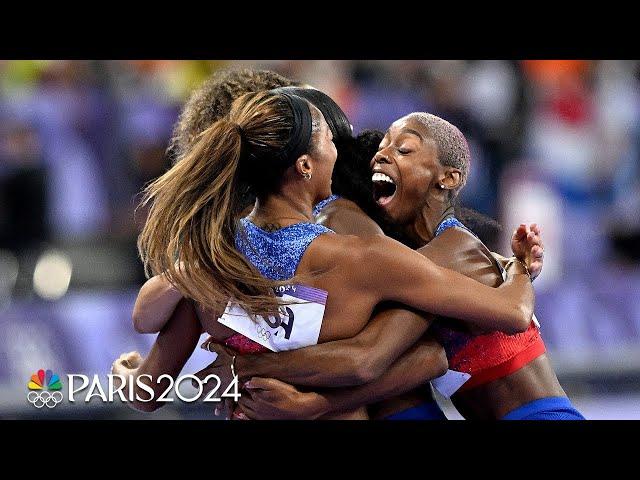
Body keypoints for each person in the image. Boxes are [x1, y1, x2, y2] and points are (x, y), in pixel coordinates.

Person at [112, 89, 537, 420]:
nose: (344, 152)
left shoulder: (211, 266)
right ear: (305, 166)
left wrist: (125, 372)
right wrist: (519, 268)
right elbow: (495, 321)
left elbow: (146, 392)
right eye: (331, 142)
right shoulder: (365, 257)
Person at [216, 112, 583, 420]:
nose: (382, 156)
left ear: (448, 178)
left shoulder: (450, 250)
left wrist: (253, 370)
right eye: (381, 148)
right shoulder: (416, 258)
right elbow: (406, 361)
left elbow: (367, 356)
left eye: (404, 149)